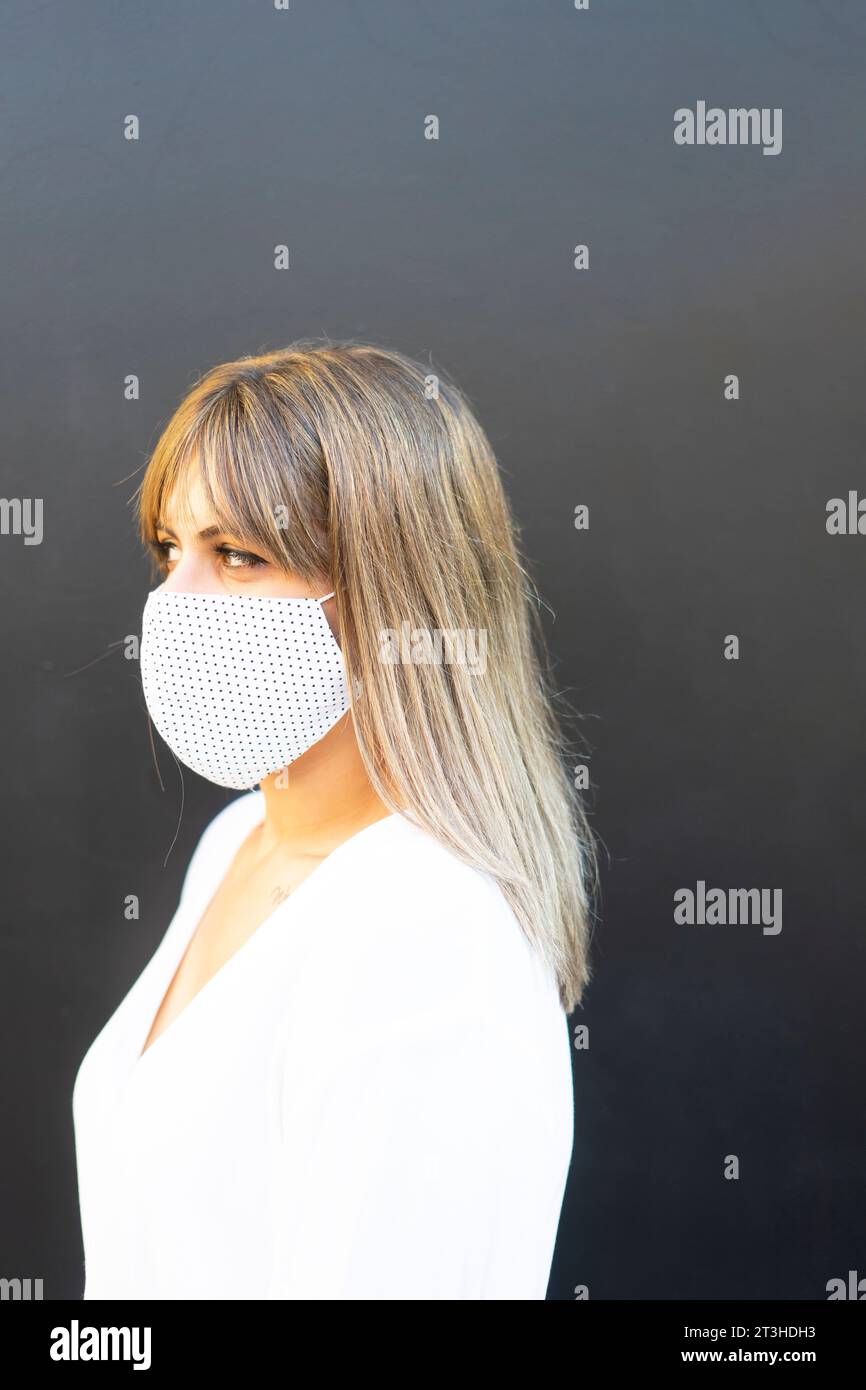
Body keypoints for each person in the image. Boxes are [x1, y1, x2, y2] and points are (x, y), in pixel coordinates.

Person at [72, 340, 597, 1299]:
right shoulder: (238, 843)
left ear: (396, 593)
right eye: (167, 548)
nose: (170, 603)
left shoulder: (428, 921)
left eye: (238, 555)